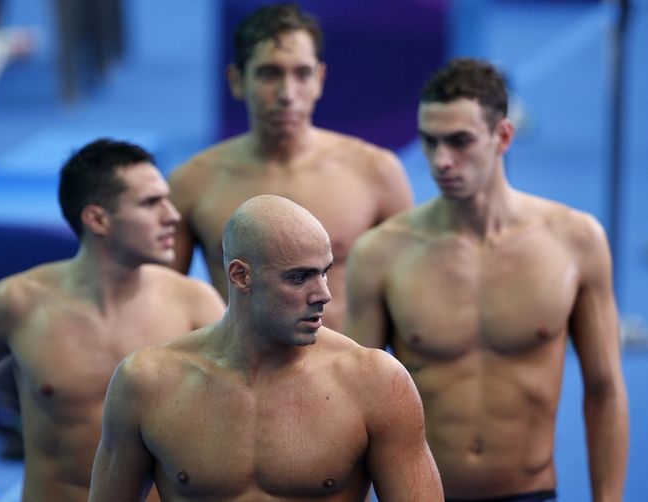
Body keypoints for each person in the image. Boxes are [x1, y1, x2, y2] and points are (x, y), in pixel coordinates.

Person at [345, 58, 629, 501]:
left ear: (503, 136)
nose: (442, 160)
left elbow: (605, 388)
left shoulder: (575, 241)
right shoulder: (382, 253)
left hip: (529, 492)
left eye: (460, 142)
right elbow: (357, 403)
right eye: (429, 141)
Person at [0, 138, 225, 502]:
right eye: (150, 203)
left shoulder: (195, 304)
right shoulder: (17, 303)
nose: (173, 216)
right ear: (98, 219)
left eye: (167, 198)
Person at [88, 195, 443, 502]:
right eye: (299, 277)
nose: (323, 295)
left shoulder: (375, 382)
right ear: (241, 276)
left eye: (324, 272)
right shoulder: (147, 383)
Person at [168, 3, 413, 332]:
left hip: (343, 376)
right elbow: (160, 304)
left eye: (302, 73)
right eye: (270, 73)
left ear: (320, 79)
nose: (287, 93)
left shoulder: (376, 173)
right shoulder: (192, 182)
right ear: (237, 80)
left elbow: (411, 304)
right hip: (236, 378)